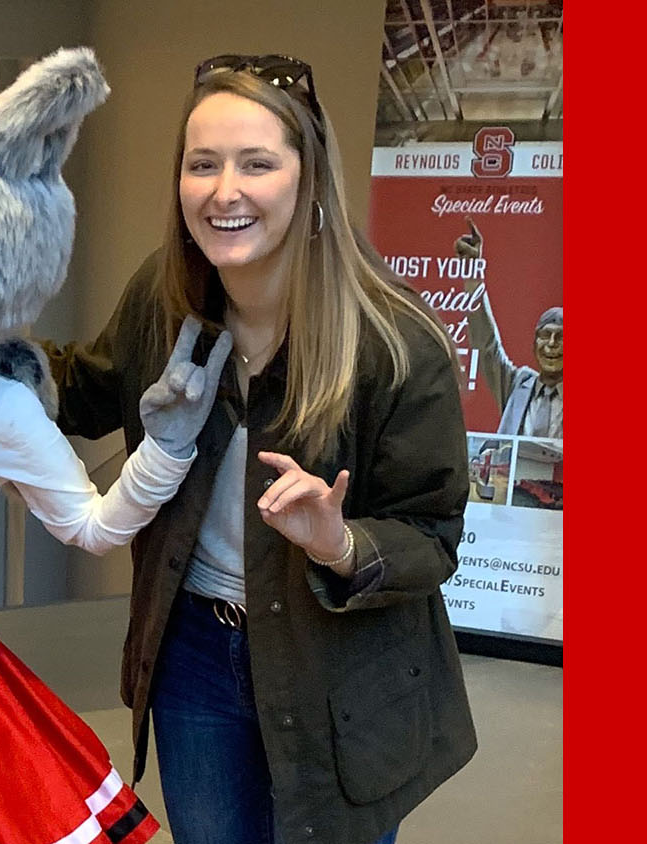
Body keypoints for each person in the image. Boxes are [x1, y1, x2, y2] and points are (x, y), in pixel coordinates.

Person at [44, 55, 477, 844]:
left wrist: (341, 544)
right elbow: (80, 390)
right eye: (201, 164)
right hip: (196, 656)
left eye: (257, 164)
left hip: (338, 669)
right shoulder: (162, 299)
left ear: (309, 180)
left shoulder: (392, 339)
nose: (224, 191)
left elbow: (434, 538)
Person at [457, 220, 563, 438]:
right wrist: (472, 273)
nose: (552, 344)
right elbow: (487, 345)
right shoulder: (518, 384)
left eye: (561, 337)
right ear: (534, 344)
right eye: (545, 335)